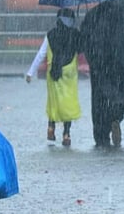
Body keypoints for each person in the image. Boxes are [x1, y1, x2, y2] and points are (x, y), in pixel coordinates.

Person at [80, 0, 124, 148]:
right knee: (119, 97)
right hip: (121, 65)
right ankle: (115, 117)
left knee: (99, 101)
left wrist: (93, 60)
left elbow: (84, 41)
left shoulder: (93, 15)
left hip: (100, 66)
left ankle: (101, 135)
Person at [25, 8, 83, 147]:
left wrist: (30, 72)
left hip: (54, 72)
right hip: (69, 74)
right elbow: (82, 50)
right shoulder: (75, 34)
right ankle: (66, 134)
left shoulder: (51, 34)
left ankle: (51, 127)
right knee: (68, 103)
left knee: (53, 102)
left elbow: (41, 54)